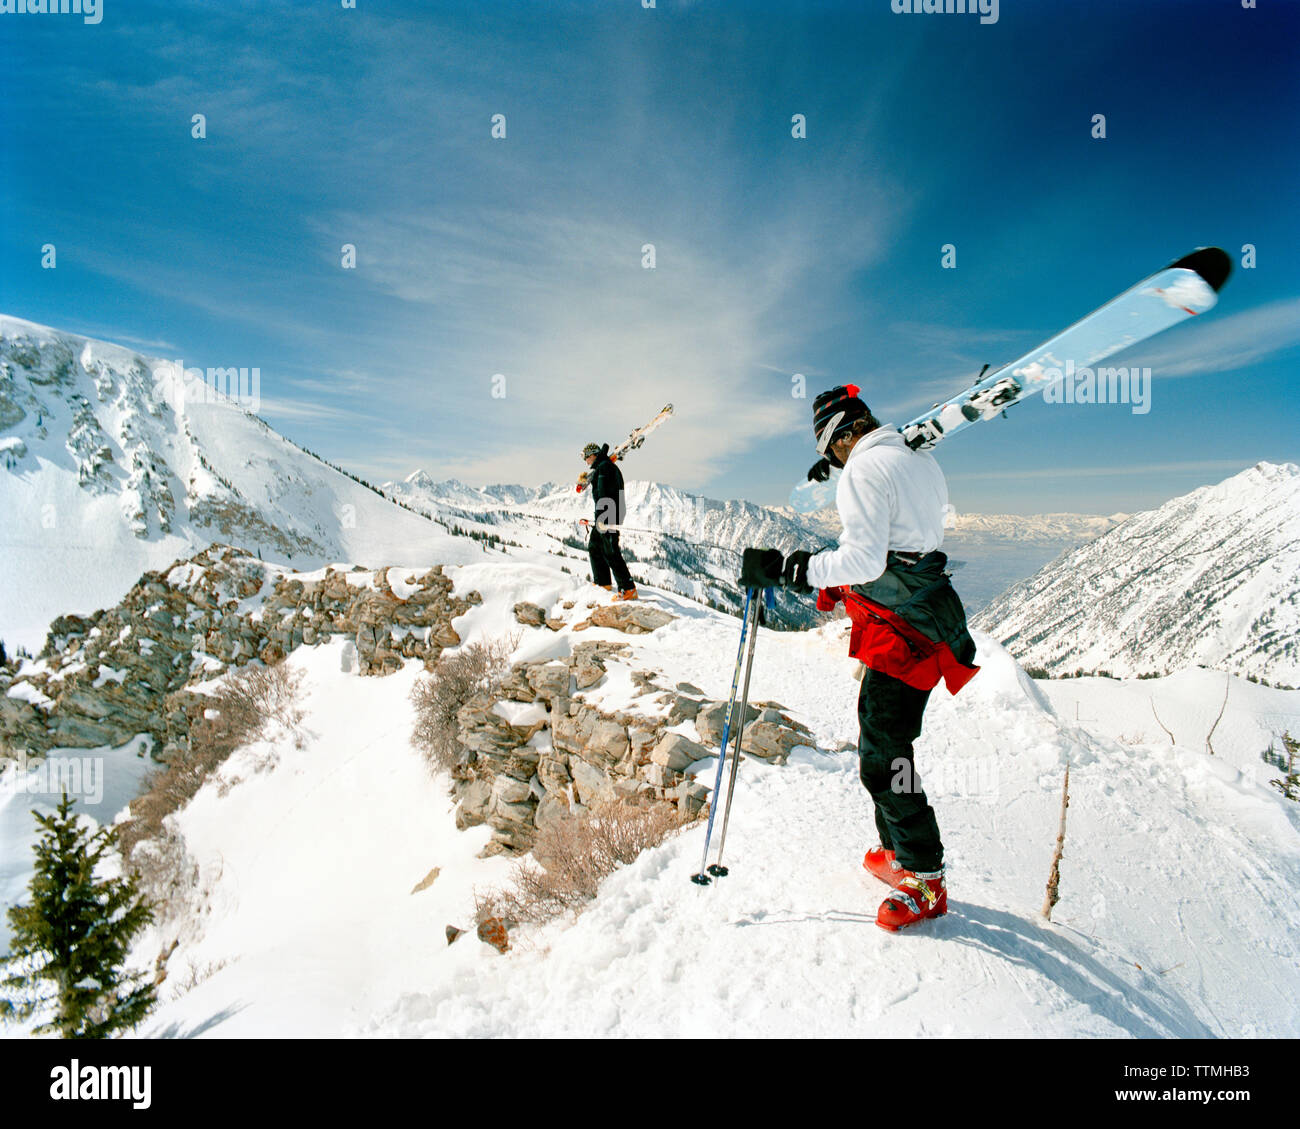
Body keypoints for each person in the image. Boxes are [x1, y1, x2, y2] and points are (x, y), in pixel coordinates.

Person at [741, 384, 979, 931]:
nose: (833, 463)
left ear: (841, 438)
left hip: (903, 640)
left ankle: (925, 876)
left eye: (831, 453)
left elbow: (867, 560)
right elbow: (907, 549)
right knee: (885, 745)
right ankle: (897, 852)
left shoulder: (865, 471)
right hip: (923, 620)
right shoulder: (917, 460)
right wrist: (835, 584)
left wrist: (796, 570)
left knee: (885, 757)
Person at [580, 441, 637, 601]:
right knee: (594, 547)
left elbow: (604, 493)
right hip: (606, 512)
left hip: (608, 512)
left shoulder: (605, 468)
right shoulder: (602, 467)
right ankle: (603, 582)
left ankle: (628, 588)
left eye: (586, 457)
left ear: (592, 455)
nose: (585, 461)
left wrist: (603, 517)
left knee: (610, 550)